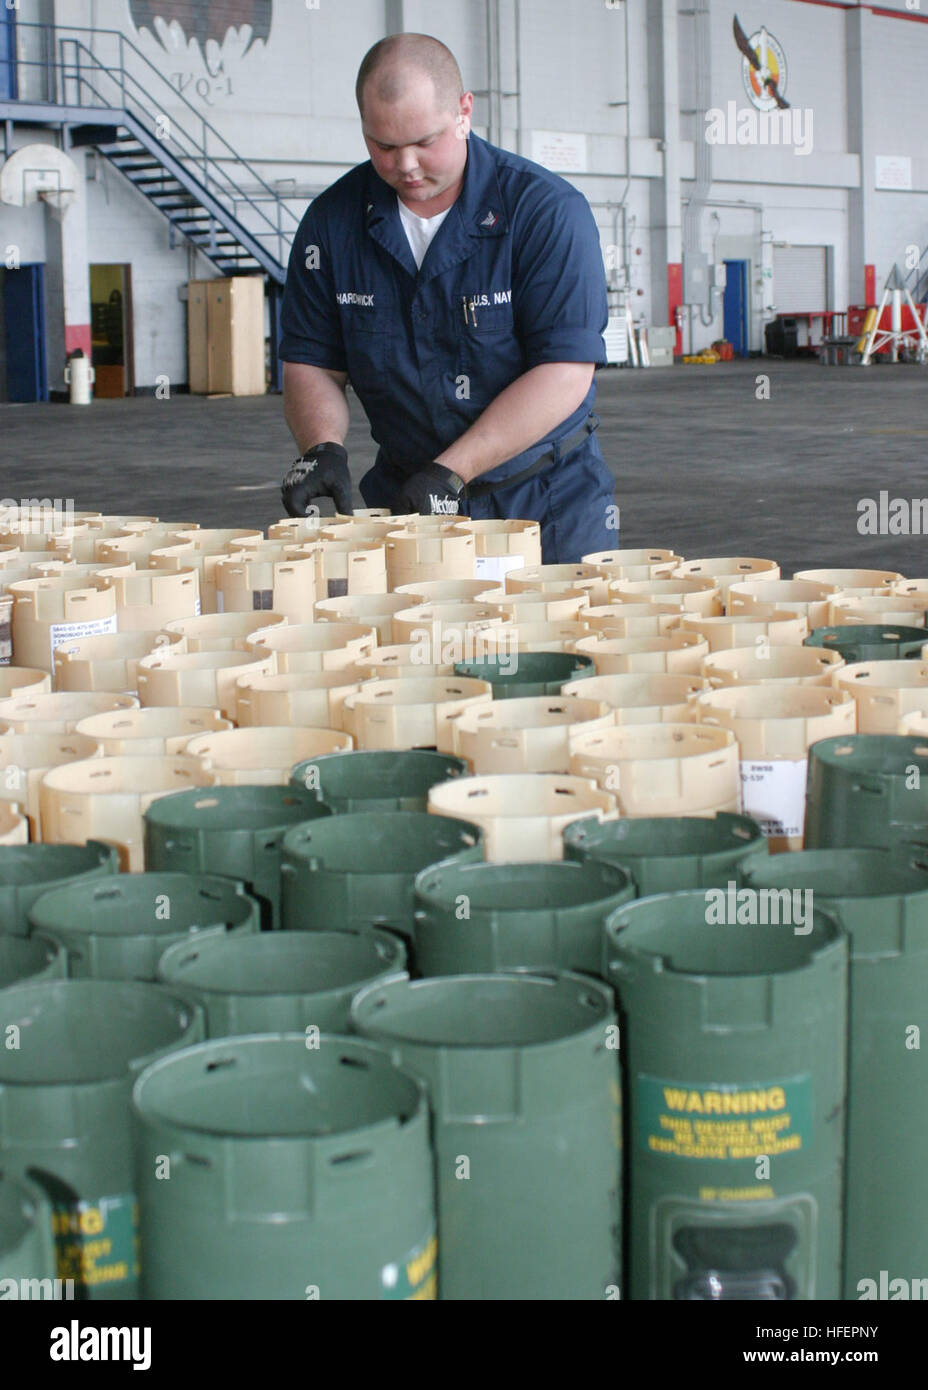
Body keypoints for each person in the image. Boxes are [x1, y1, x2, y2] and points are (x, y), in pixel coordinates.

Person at [278, 32, 616, 563]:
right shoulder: (331, 223)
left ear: (464, 112)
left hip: (545, 504)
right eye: (382, 146)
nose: (405, 165)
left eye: (424, 141)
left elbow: (565, 372)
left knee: (555, 643)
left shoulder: (545, 213)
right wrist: (322, 448)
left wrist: (451, 470)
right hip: (410, 502)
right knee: (419, 646)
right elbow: (312, 360)